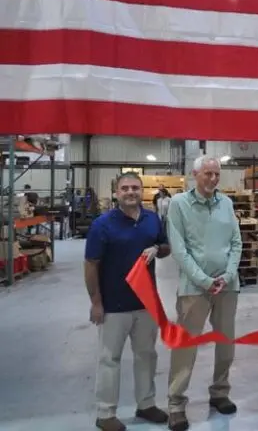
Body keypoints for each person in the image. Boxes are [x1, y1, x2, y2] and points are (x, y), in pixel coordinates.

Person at [84, 172, 170, 431]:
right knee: (110, 358)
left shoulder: (152, 219)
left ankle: (145, 404)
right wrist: (96, 302)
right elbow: (91, 264)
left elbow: (165, 247)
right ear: (116, 193)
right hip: (114, 305)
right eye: (125, 188)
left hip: (145, 303)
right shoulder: (102, 224)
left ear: (141, 191)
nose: (131, 192)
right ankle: (105, 412)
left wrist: (157, 249)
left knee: (146, 355)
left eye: (135, 187)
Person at [165, 156, 242, 431]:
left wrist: (229, 274)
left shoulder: (227, 203)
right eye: (207, 173)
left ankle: (220, 392)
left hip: (227, 287)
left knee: (226, 343)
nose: (212, 179)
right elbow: (178, 248)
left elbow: (236, 241)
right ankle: (176, 404)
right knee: (186, 346)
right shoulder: (179, 204)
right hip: (193, 289)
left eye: (216, 174)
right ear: (194, 174)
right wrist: (204, 280)